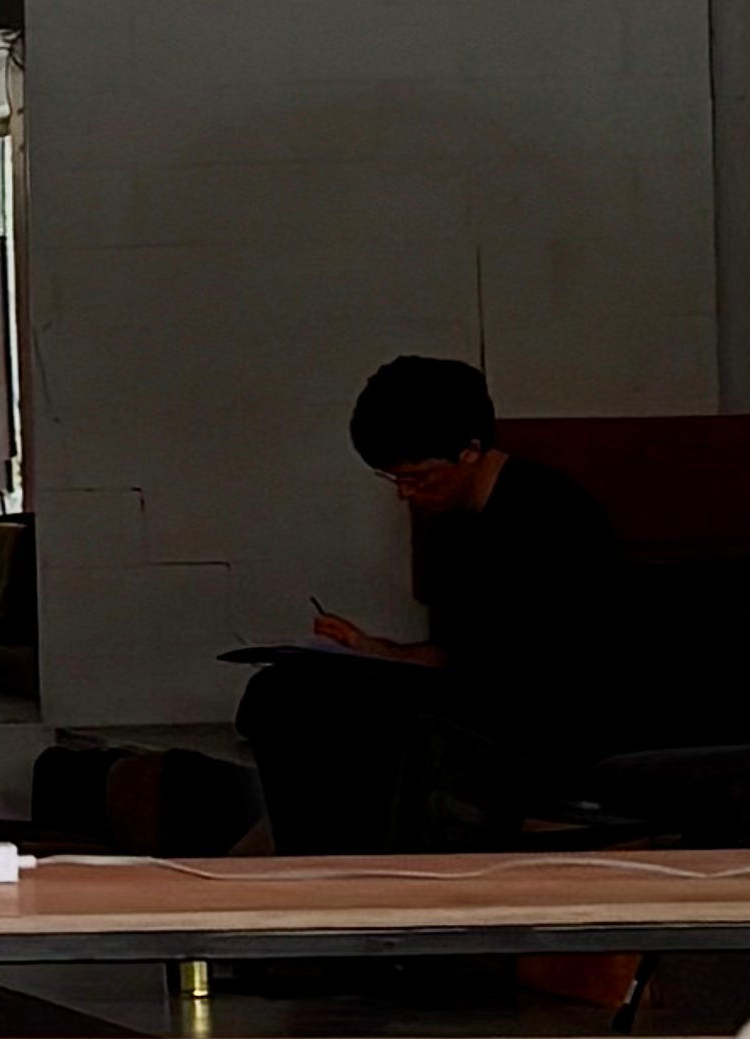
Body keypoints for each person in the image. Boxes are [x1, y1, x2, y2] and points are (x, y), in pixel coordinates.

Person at [237, 353, 627, 849]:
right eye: (394, 480)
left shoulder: (552, 515)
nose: (405, 494)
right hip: (480, 697)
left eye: (417, 478)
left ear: (470, 450)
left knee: (303, 704)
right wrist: (369, 650)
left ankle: (334, 855)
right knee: (282, 691)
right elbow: (456, 651)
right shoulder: (451, 524)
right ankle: (317, 852)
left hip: (546, 718)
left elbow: (533, 668)